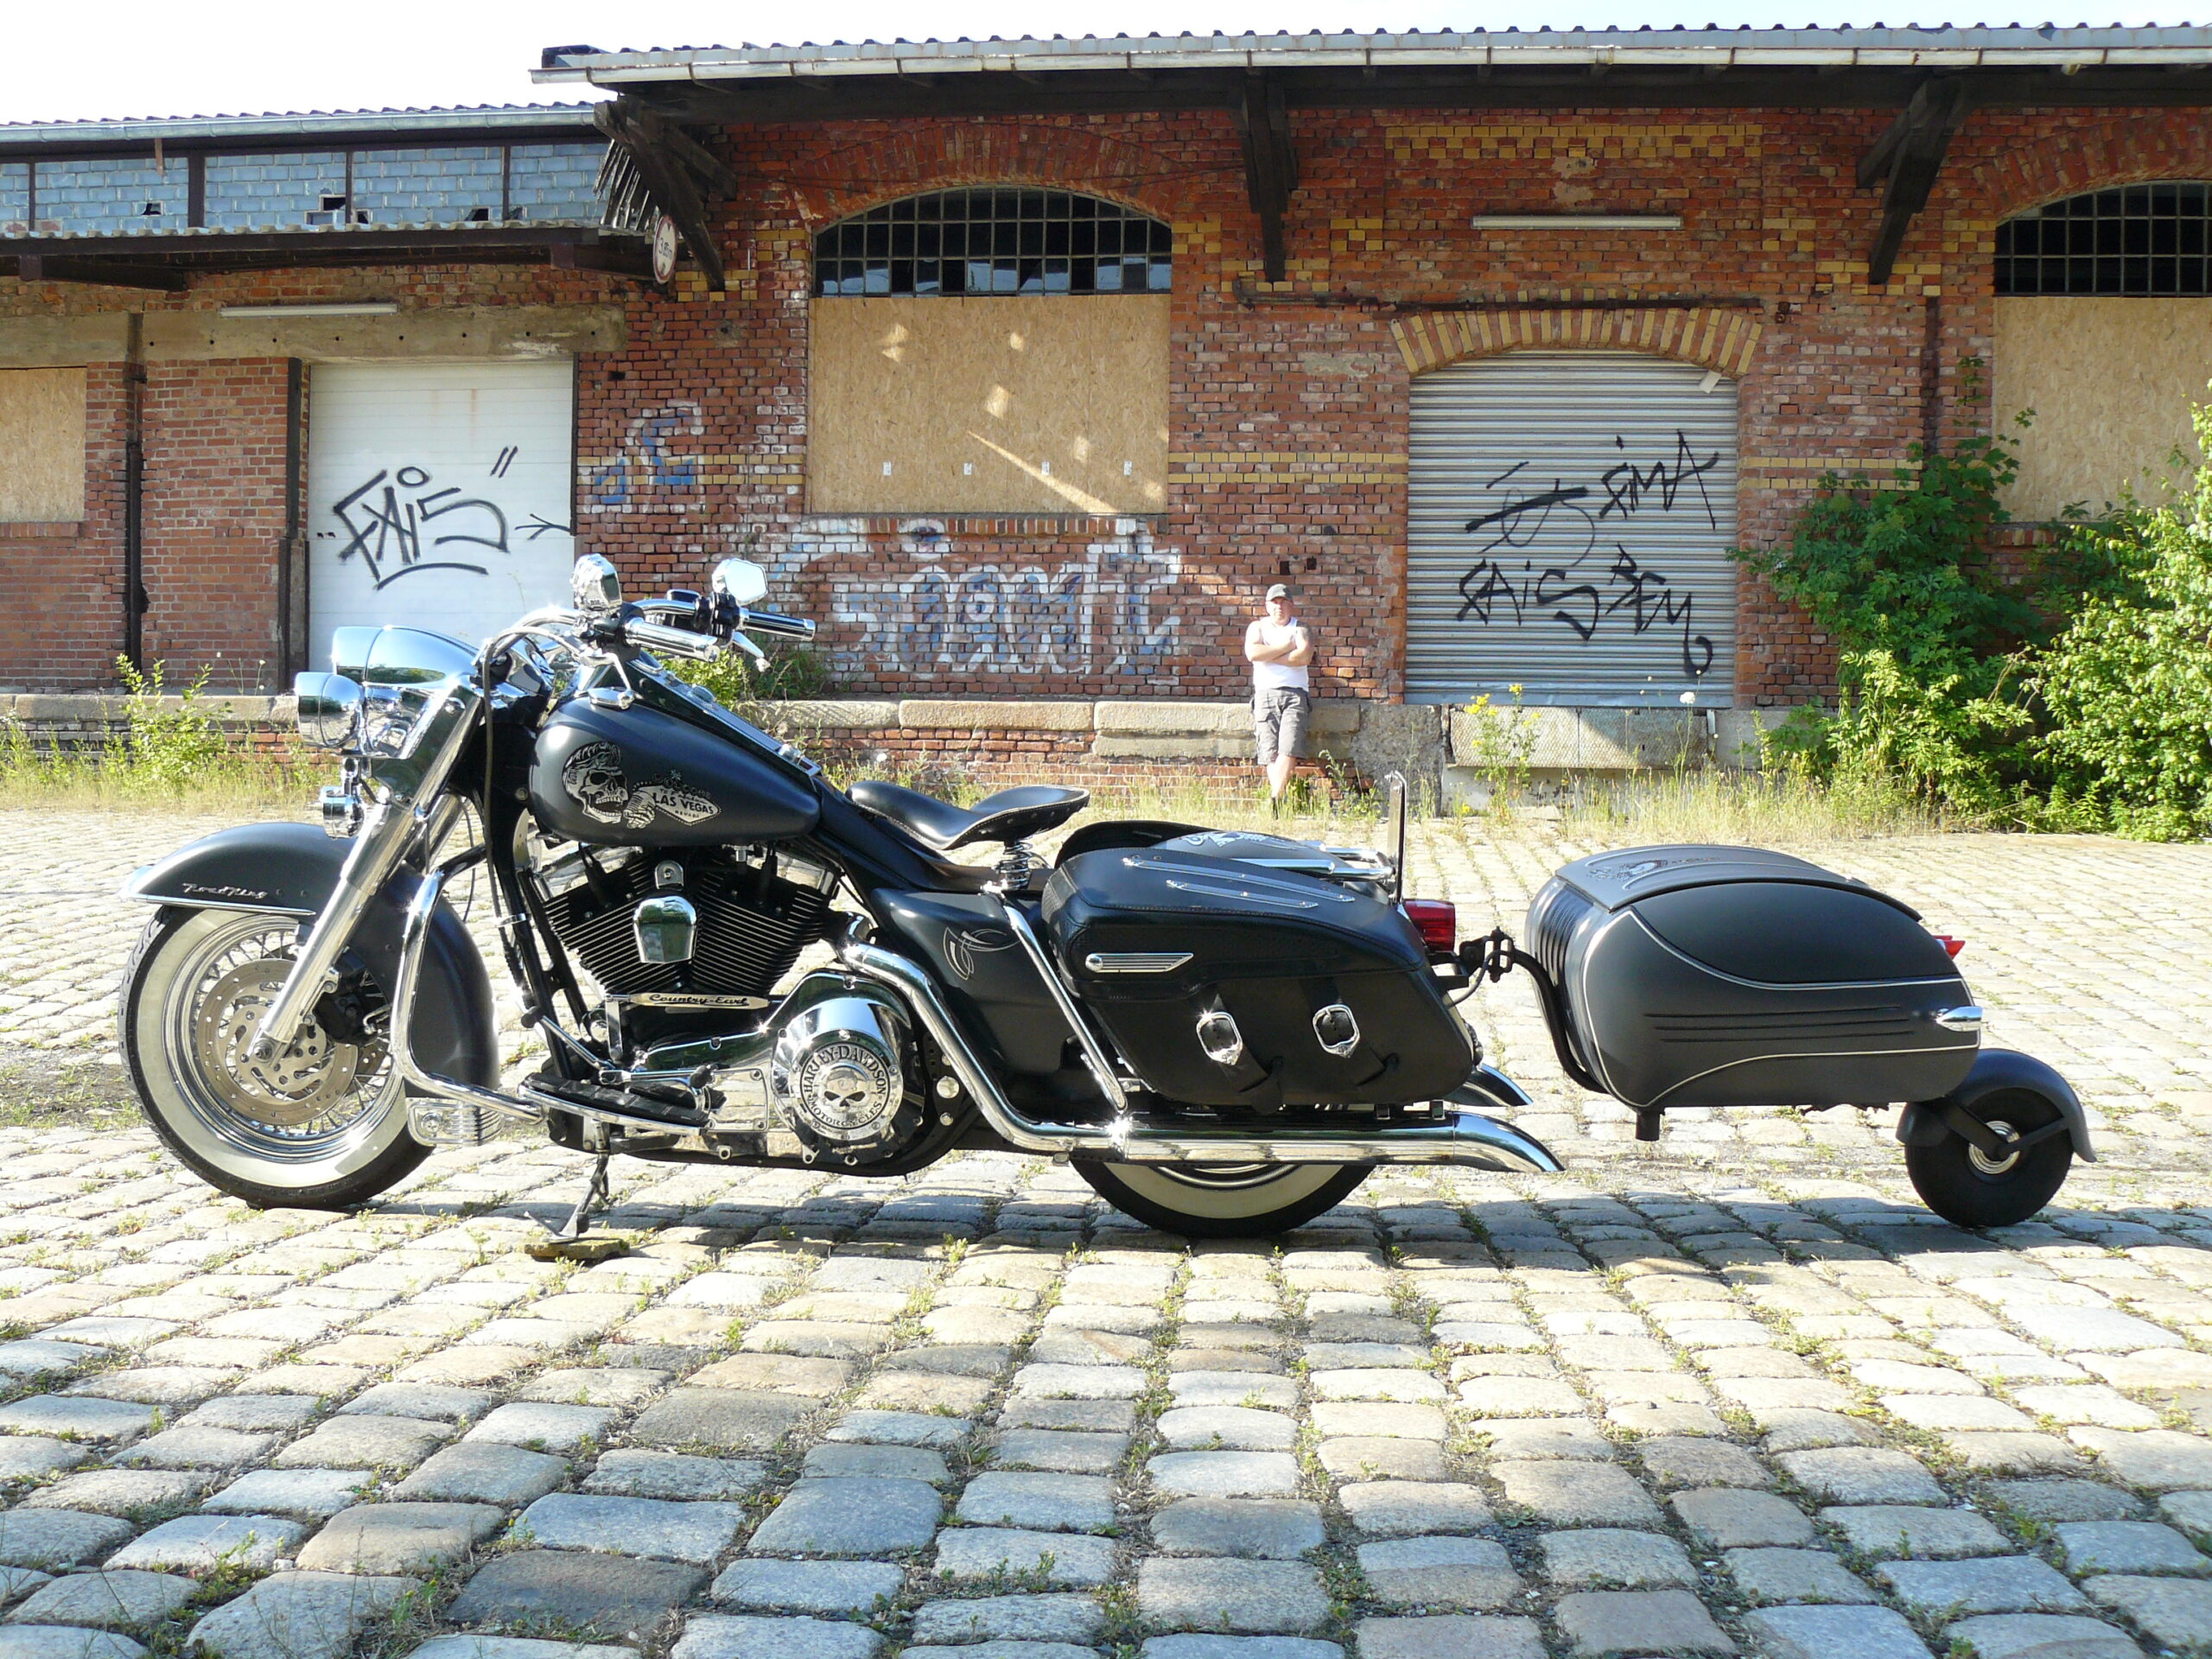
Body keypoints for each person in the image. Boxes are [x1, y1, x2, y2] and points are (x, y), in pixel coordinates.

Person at [1245, 582, 1315, 804]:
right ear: (1267, 606)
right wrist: (1286, 648)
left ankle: (1276, 795)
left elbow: (1304, 657)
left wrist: (1269, 655)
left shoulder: (1300, 628)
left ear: (1291, 605)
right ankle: (1278, 798)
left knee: (1289, 746)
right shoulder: (1257, 627)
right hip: (1265, 693)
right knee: (1269, 750)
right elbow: (1253, 653)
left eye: (1284, 602)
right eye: (1275, 603)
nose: (1279, 607)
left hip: (1295, 694)